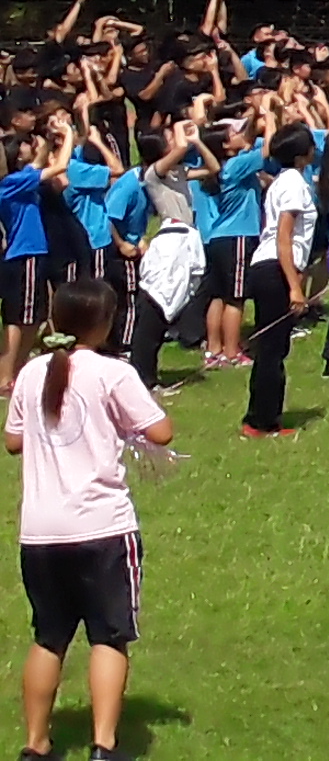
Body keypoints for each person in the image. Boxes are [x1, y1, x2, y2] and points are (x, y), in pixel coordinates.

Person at [9, 279, 166, 761]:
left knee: (48, 636)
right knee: (109, 635)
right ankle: (104, 744)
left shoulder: (32, 373)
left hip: (40, 531)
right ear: (104, 322)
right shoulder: (112, 373)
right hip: (102, 528)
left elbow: (13, 440)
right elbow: (161, 432)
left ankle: (35, 744)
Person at [238, 126, 315, 440]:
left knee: (271, 347)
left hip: (267, 265)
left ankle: (263, 416)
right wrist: (295, 286)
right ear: (301, 155)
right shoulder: (295, 184)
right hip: (276, 268)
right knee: (272, 349)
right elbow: (284, 237)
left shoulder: (280, 182)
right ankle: (262, 420)